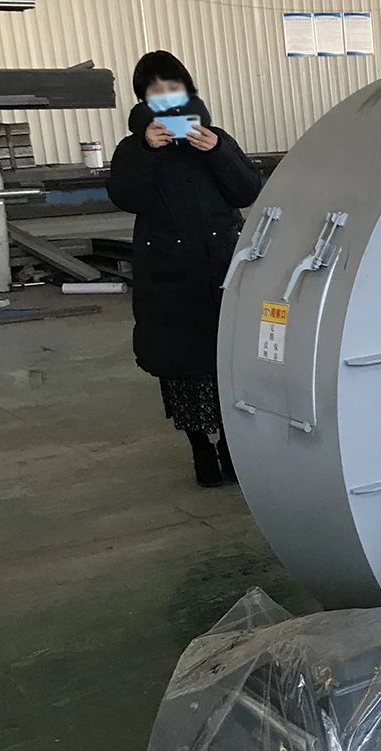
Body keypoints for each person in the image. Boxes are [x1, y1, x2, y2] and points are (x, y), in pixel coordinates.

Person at [108, 51, 262, 487]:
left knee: (227, 364)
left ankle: (230, 447)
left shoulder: (213, 138)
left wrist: (218, 151)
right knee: (182, 367)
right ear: (144, 99)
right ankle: (199, 448)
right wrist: (147, 150)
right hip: (168, 275)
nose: (166, 96)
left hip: (221, 270)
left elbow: (247, 190)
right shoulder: (133, 147)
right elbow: (124, 196)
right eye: (155, 90)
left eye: (172, 87)